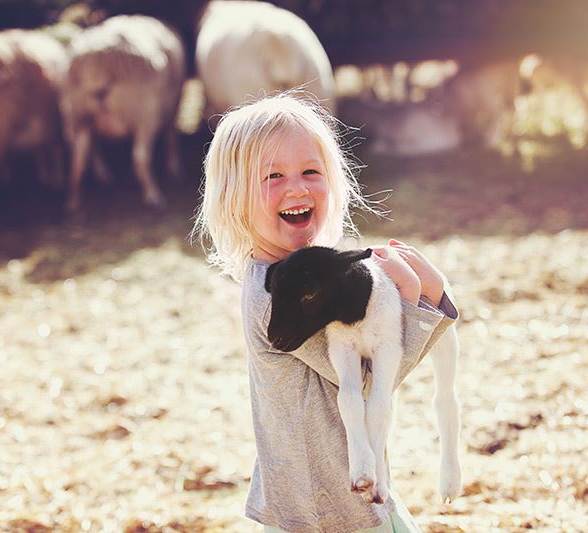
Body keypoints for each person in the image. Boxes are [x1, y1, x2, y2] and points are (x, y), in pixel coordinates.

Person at [191, 94, 459, 533]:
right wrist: (417, 301)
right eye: (273, 176)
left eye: (310, 172)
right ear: (233, 197)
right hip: (323, 508)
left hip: (339, 491)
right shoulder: (278, 295)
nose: (296, 188)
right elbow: (372, 380)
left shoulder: (303, 275)